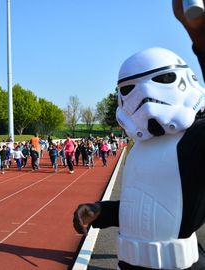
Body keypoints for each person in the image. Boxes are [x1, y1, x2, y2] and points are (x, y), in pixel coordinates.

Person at [73, 1, 205, 269]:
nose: (145, 99)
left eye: (162, 80)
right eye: (129, 89)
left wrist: (200, 36)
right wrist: (102, 212)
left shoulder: (196, 140)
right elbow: (148, 205)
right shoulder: (141, 148)